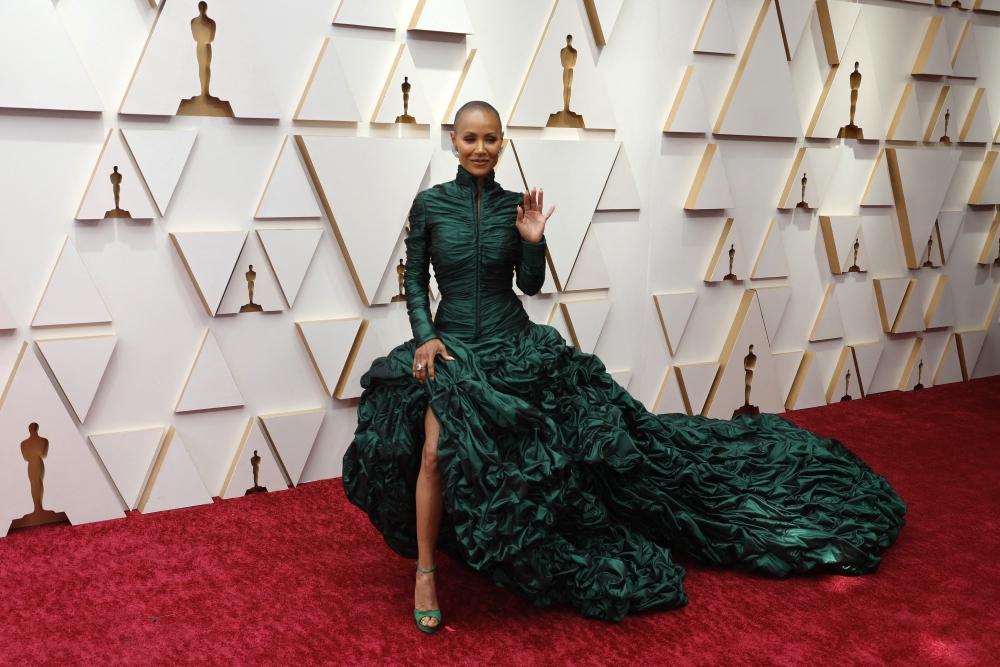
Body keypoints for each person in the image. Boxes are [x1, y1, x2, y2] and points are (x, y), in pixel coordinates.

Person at [342, 101, 906, 632]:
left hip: (516, 346)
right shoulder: (431, 203)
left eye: (491, 138)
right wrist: (426, 338)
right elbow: (414, 280)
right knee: (435, 456)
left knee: (560, 458)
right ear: (454, 142)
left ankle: (533, 540)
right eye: (471, 138)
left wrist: (534, 242)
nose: (481, 148)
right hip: (453, 351)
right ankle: (426, 575)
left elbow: (530, 286)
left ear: (502, 142)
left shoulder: (519, 204)